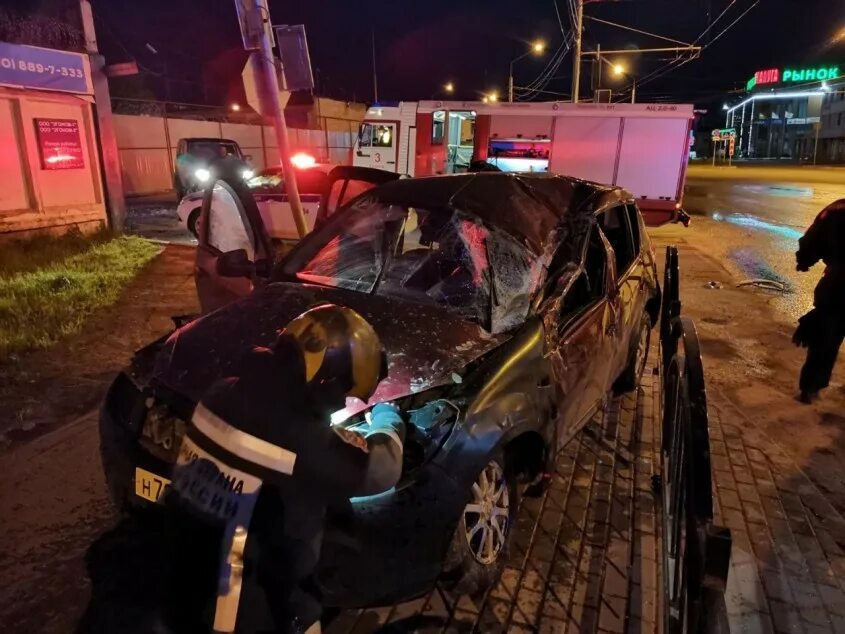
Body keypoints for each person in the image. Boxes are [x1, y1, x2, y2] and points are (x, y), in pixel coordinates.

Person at [168, 304, 406, 633]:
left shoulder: (220, 393)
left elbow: (271, 438)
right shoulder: (304, 440)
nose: (342, 401)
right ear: (325, 380)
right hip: (245, 604)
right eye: (343, 390)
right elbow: (383, 469)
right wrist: (386, 420)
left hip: (181, 570)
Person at [795, 199, 845, 403]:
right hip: (838, 282)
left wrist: (804, 260)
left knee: (826, 337)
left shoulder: (836, 210)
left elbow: (812, 239)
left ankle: (811, 387)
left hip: (839, 285)